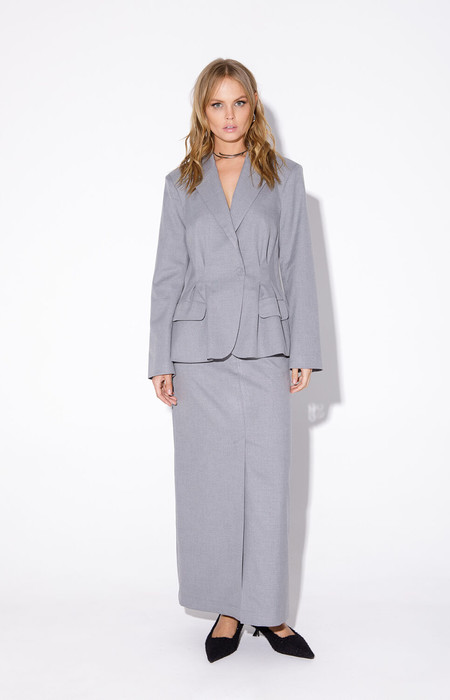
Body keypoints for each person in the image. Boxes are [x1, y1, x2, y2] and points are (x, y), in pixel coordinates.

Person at [148, 58, 323, 663]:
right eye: (217, 104)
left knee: (269, 483)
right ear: (203, 111)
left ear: (254, 106)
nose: (229, 115)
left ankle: (269, 611)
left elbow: (298, 266)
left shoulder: (285, 178)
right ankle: (226, 607)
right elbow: (167, 274)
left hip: (266, 345)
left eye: (239, 102)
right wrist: (160, 358)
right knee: (209, 486)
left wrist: (304, 349)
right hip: (197, 354)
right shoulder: (180, 183)